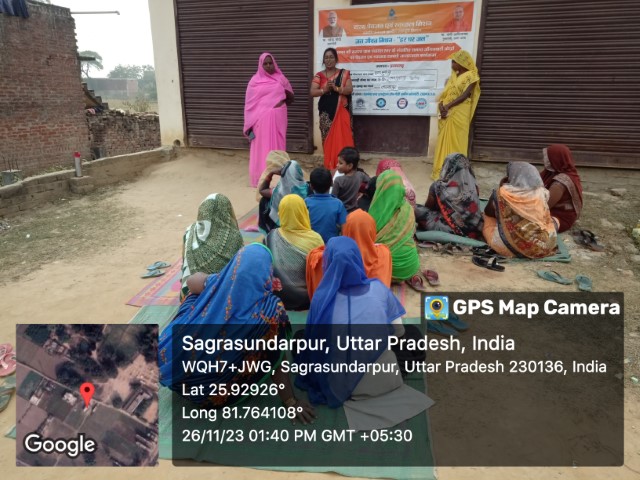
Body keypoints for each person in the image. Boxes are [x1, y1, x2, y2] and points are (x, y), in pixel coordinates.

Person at [159, 244, 315, 423]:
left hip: (180, 382)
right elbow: (277, 360)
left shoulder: (220, 283)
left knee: (194, 297)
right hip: (213, 395)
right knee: (267, 334)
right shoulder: (271, 309)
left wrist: (219, 280)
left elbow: (191, 282)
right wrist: (290, 401)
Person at [306, 209, 392, 300]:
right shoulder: (384, 253)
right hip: (376, 306)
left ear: (345, 230)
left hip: (343, 307)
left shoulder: (337, 257)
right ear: (372, 229)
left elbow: (316, 261)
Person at [483, 162, 557, 258]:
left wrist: (502, 186)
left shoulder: (503, 193)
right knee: (553, 221)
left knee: (487, 217)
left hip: (511, 248)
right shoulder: (542, 192)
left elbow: (489, 212)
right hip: (542, 248)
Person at [180, 194, 244, 301]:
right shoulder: (234, 236)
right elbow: (239, 266)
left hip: (191, 296)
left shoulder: (190, 231)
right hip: (224, 296)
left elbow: (184, 263)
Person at [266, 194, 324, 310]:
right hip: (307, 298)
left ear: (281, 213)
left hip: (279, 296)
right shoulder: (315, 239)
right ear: (303, 212)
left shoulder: (272, 236)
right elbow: (320, 273)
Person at [244, 53, 294, 187]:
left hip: (278, 119)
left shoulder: (281, 79)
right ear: (260, 65)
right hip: (261, 122)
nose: (268, 66)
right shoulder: (254, 82)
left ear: (274, 64)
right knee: (262, 149)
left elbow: (291, 97)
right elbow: (249, 104)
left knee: (278, 147)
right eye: (265, 64)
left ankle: (278, 179)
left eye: (270, 63)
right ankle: (261, 178)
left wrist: (279, 105)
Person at [368, 170, 422, 289]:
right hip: (410, 267)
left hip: (386, 270)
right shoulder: (408, 209)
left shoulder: (376, 210)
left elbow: (369, 241)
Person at [431, 49, 481, 180]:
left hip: (460, 112)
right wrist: (442, 106)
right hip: (446, 113)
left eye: (454, 62)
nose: (452, 64)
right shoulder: (451, 78)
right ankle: (442, 169)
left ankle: (457, 172)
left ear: (461, 62)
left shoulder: (472, 76)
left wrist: (448, 106)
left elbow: (465, 95)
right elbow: (445, 94)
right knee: (443, 141)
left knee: (458, 141)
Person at [420, 153, 483, 238]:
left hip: (454, 230)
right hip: (474, 229)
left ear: (447, 168)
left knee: (417, 210)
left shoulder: (438, 186)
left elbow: (429, 207)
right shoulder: (474, 186)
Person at [310, 48, 354, 170]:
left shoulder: (344, 73)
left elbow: (349, 89)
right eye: (326, 58)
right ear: (323, 60)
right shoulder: (319, 75)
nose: (329, 60)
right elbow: (312, 92)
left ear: (336, 59)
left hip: (341, 112)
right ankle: (330, 167)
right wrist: (324, 90)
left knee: (344, 139)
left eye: (331, 57)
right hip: (326, 114)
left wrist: (336, 88)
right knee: (328, 141)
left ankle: (346, 167)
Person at [540, 144, 583, 233]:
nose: (544, 160)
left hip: (560, 217)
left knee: (526, 225)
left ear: (556, 159)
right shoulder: (551, 172)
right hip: (550, 209)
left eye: (548, 158)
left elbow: (545, 205)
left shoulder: (560, 182)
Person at [257, 159, 308, 233]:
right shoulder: (307, 188)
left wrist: (270, 174)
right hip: (304, 224)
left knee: (264, 201)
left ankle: (269, 231)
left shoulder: (280, 192)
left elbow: (262, 190)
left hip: (283, 225)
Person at [305, 167, 347, 243]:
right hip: (330, 246)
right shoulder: (338, 204)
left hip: (310, 244)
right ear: (331, 183)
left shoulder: (306, 203)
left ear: (311, 186)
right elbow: (344, 229)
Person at [332, 147, 370, 213]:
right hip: (354, 211)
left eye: (340, 163)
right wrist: (363, 192)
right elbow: (370, 181)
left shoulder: (338, 180)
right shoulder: (360, 175)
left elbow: (333, 199)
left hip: (340, 211)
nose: (337, 165)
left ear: (350, 166)